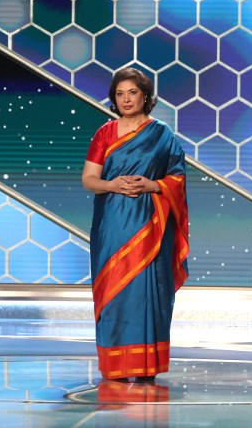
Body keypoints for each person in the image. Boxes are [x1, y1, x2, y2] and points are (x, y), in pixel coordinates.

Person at [81, 67, 189, 383]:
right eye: (120, 93)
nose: (126, 99)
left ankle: (146, 365)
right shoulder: (104, 134)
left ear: (145, 96)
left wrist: (152, 185)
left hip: (152, 225)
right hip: (112, 225)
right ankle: (115, 365)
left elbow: (178, 178)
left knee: (147, 291)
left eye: (132, 92)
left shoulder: (163, 134)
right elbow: (89, 180)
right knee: (114, 290)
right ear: (114, 98)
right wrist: (114, 185)